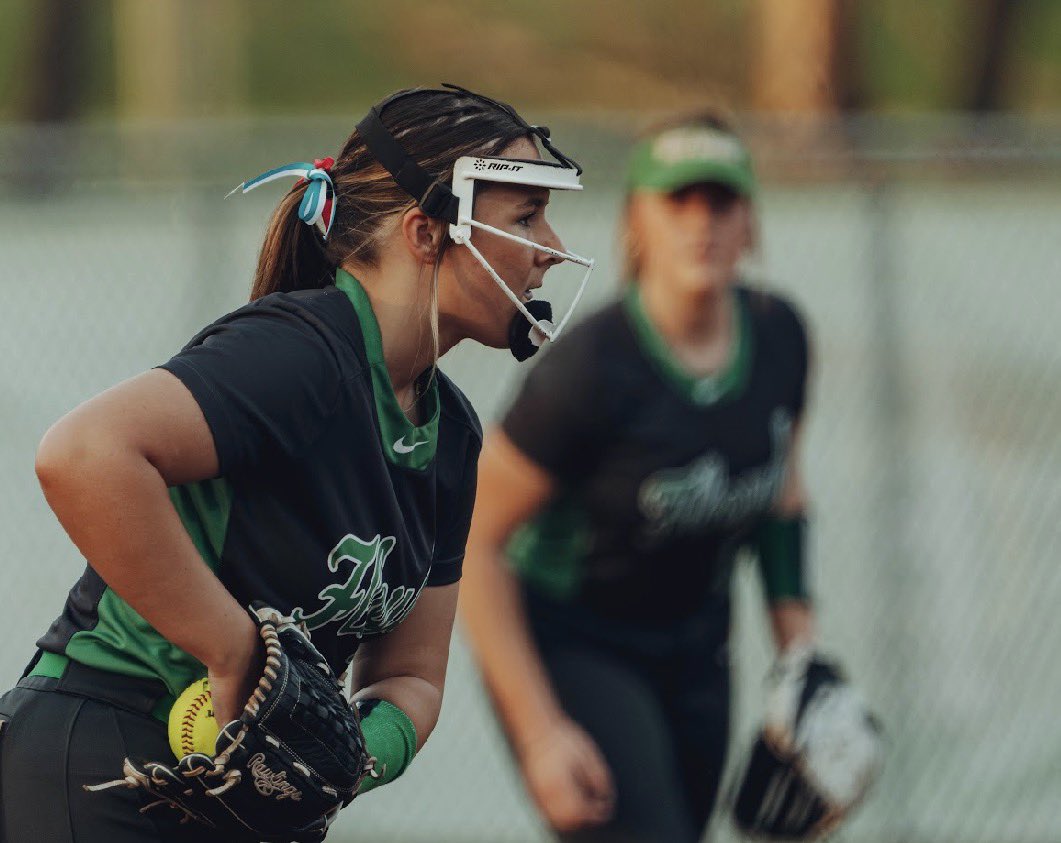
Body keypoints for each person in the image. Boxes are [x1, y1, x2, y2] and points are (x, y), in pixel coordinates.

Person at [0, 83, 593, 843]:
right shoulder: (305, 351)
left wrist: (349, 758)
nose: (549, 244)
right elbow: (81, 456)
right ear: (424, 231)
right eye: (525, 215)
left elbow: (410, 675)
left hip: (243, 806)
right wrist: (233, 650)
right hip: (110, 755)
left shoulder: (451, 437)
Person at [460, 112, 821, 843]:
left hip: (696, 643)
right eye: (676, 200)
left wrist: (802, 663)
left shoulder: (780, 336)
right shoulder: (591, 370)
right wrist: (539, 733)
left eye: (720, 201)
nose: (701, 223)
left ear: (749, 221)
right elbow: (473, 542)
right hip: (577, 640)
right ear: (636, 223)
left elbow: (781, 494)